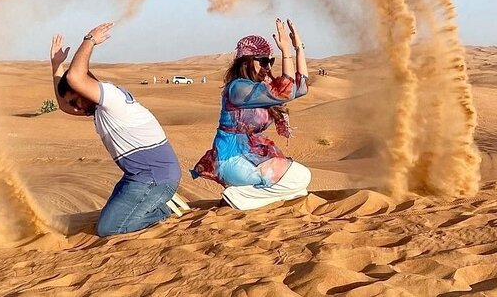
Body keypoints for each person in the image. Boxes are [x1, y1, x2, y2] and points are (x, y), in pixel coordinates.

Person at [50, 22, 182, 236]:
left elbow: (75, 78)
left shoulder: (111, 97)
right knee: (110, 218)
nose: (75, 107)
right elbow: (64, 105)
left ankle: (161, 211)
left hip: (154, 178)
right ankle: (152, 204)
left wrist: (89, 40)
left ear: (86, 88)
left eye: (76, 100)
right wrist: (56, 65)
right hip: (137, 177)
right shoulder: (100, 109)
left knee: (109, 228)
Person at [191, 18, 311, 210]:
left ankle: (248, 198)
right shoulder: (238, 89)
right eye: (263, 61)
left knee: (298, 189)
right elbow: (286, 92)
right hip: (232, 159)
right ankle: (238, 196)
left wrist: (299, 49)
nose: (268, 67)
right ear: (246, 62)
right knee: (301, 177)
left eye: (270, 61)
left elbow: (302, 88)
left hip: (249, 156)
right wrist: (285, 51)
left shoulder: (259, 88)